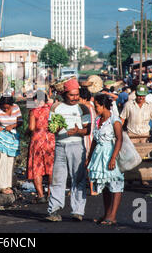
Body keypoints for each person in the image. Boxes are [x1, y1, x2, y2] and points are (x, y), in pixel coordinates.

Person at [46, 78, 90, 222]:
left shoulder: (83, 108)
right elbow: (51, 128)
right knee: (58, 179)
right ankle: (54, 210)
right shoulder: (56, 108)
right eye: (72, 95)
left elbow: (87, 130)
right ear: (65, 94)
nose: (75, 98)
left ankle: (78, 211)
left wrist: (78, 131)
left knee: (78, 178)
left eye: (77, 95)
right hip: (60, 146)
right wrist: (57, 128)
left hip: (77, 146)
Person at [86, 94, 124, 226]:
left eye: (96, 106)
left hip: (110, 153)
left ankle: (113, 216)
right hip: (99, 155)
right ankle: (107, 214)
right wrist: (89, 157)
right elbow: (94, 141)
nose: (95, 109)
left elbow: (119, 139)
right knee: (106, 185)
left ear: (103, 106)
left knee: (115, 183)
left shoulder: (114, 120)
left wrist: (113, 158)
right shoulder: (98, 120)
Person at [0, 96, 22, 195]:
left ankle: (8, 185)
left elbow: (20, 121)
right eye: (4, 108)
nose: (5, 109)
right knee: (2, 160)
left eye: (7, 108)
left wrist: (12, 126)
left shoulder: (16, 107)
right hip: (0, 136)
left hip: (12, 137)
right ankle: (2, 186)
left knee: (10, 161)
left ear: (11, 105)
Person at [27, 90, 55, 203]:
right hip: (50, 140)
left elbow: (31, 128)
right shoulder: (52, 110)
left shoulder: (34, 111)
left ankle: (40, 195)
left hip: (37, 141)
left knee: (37, 168)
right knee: (51, 168)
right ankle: (50, 194)